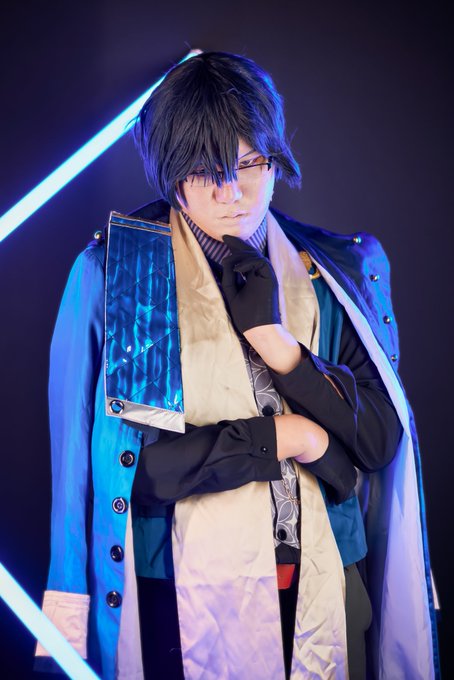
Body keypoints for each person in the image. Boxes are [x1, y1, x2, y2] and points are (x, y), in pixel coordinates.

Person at [36, 52, 439, 679]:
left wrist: (278, 346)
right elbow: (137, 472)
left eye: (249, 163)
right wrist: (290, 437)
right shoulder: (125, 276)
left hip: (331, 585)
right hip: (177, 599)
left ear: (274, 158)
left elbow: (380, 442)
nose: (232, 192)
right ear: (172, 173)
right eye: (206, 170)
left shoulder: (334, 271)